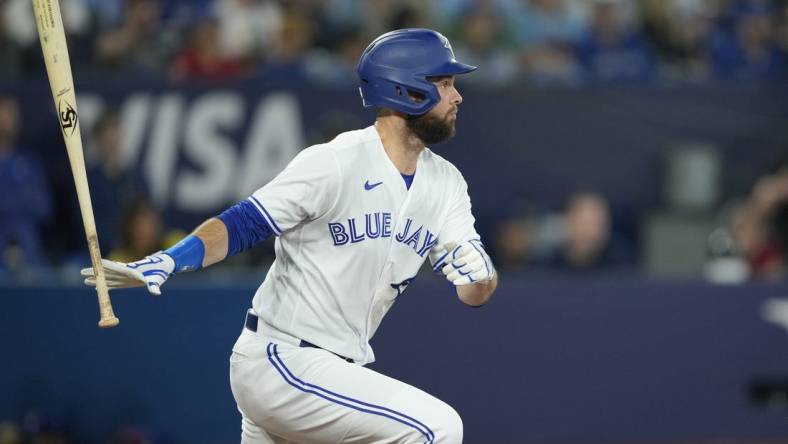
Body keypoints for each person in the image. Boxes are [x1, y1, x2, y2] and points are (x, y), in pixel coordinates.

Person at [82, 28, 497, 443]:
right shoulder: (335, 162)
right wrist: (174, 257)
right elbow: (244, 223)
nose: (457, 96)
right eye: (443, 84)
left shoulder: (446, 185)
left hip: (331, 373)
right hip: (284, 359)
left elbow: (472, 293)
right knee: (438, 427)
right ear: (406, 91)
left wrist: (482, 275)